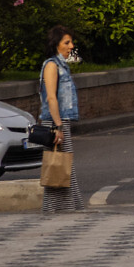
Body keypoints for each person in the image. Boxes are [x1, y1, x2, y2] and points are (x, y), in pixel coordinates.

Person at [38, 25, 83, 213]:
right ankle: (57, 209)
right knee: (58, 167)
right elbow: (51, 97)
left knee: (63, 167)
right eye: (67, 42)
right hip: (54, 122)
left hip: (61, 122)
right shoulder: (51, 65)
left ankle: (66, 207)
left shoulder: (62, 66)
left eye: (71, 42)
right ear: (56, 44)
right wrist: (58, 126)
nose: (71, 46)